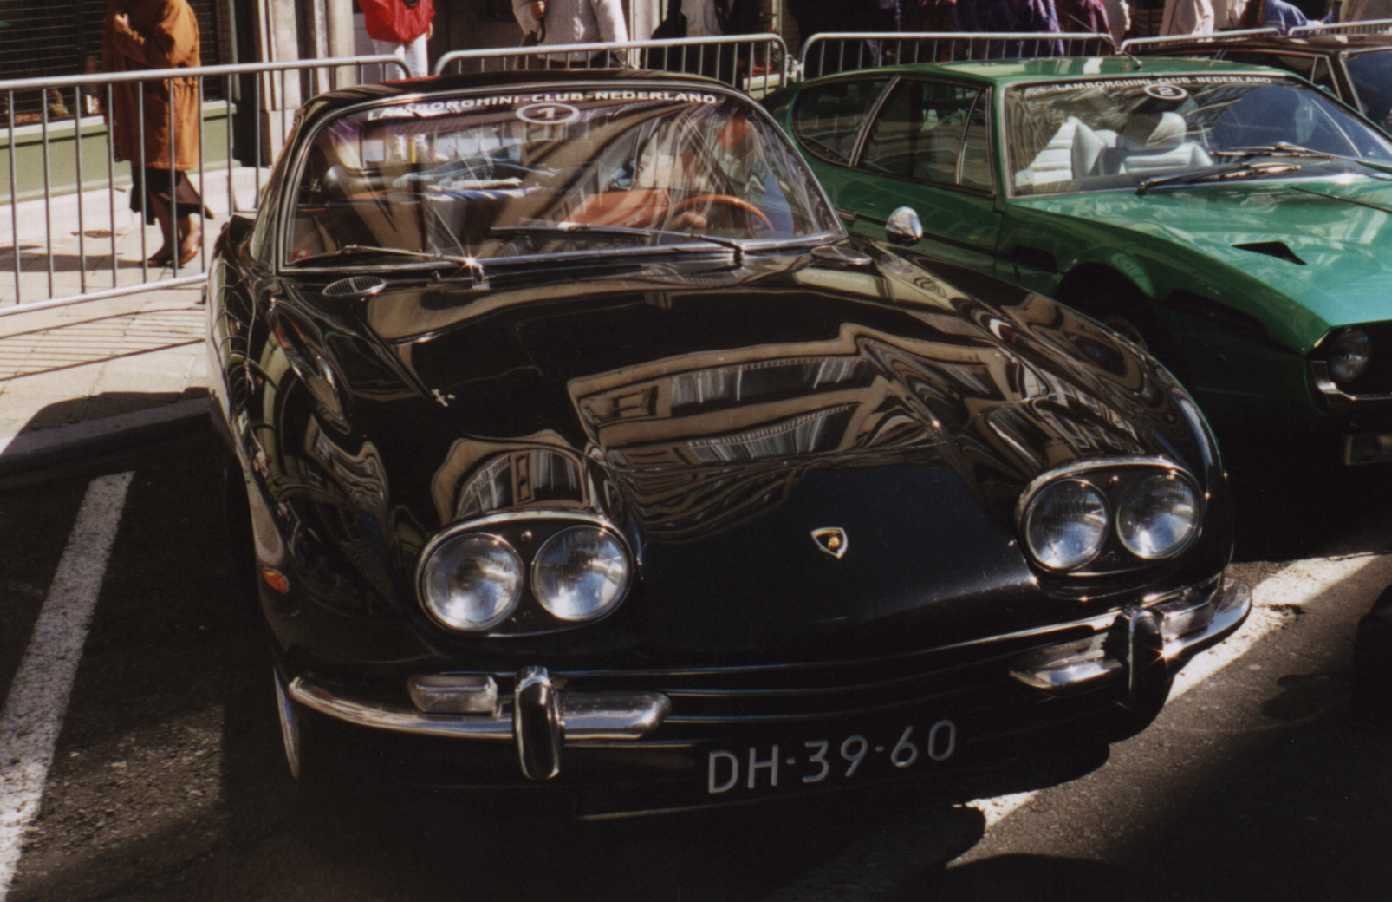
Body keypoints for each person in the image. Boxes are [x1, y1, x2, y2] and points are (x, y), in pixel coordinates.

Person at [102, 0, 208, 268]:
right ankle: (170, 241)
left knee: (163, 169)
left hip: (164, 104)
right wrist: (107, 99)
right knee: (145, 173)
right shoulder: (122, 5)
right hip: (133, 104)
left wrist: (125, 34)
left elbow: (167, 55)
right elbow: (110, 56)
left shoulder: (172, 6)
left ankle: (191, 230)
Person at [513, 0, 629, 61]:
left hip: (590, 62)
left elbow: (609, 14)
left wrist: (619, 54)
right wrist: (531, 12)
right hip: (546, 62)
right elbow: (520, 7)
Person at [360, 0, 434, 78]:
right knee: (396, 77)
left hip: (416, 16)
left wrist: (427, 15)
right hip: (389, 23)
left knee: (420, 75)